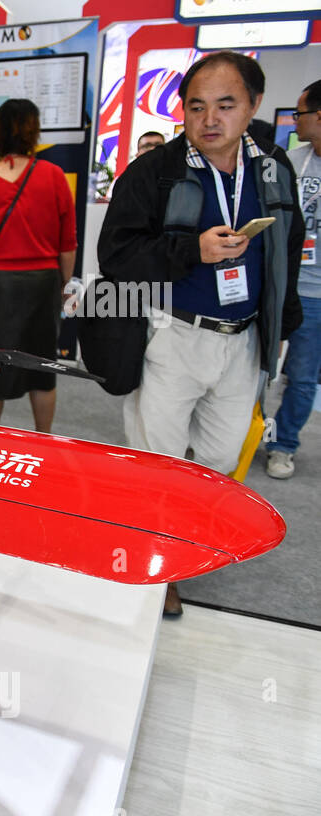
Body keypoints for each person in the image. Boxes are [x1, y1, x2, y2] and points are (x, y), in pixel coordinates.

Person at [97, 51, 303, 618]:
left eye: (226, 105)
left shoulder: (273, 169)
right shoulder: (154, 172)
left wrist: (279, 328)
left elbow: (285, 249)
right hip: (170, 336)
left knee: (215, 458)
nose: (210, 118)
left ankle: (182, 536)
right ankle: (157, 564)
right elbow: (115, 255)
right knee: (156, 459)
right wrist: (192, 249)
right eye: (196, 106)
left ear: (254, 106)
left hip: (242, 342)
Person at [0, 98, 76, 433]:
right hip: (43, 283)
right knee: (42, 369)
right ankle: (43, 440)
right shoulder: (54, 176)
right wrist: (62, 285)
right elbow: (67, 244)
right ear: (33, 131)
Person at [265, 79, 321, 479]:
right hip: (280, 284)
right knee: (255, 370)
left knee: (302, 377)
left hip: (317, 297)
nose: (295, 120)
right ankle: (239, 434)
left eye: (300, 113)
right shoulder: (288, 163)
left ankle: (283, 445)